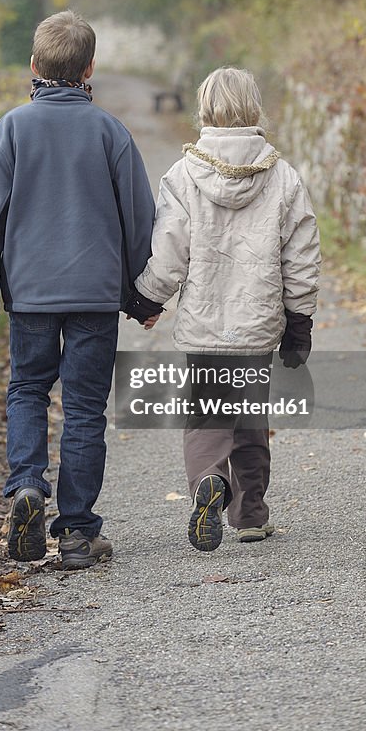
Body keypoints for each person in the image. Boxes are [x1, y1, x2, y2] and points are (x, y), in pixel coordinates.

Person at [0, 9, 155, 570]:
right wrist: (142, 297)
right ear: (91, 66)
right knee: (83, 409)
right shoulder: (110, 131)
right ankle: (76, 532)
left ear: (33, 65)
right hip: (95, 296)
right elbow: (138, 220)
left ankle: (26, 486)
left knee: (27, 389)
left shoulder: (12, 129)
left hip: (29, 295)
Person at [125, 66, 320, 552]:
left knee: (208, 415)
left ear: (205, 109)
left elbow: (170, 252)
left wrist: (146, 298)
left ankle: (208, 484)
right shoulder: (283, 177)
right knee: (250, 416)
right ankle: (250, 512)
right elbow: (301, 255)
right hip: (256, 325)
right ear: (255, 109)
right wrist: (300, 320)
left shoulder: (183, 174)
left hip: (205, 324)